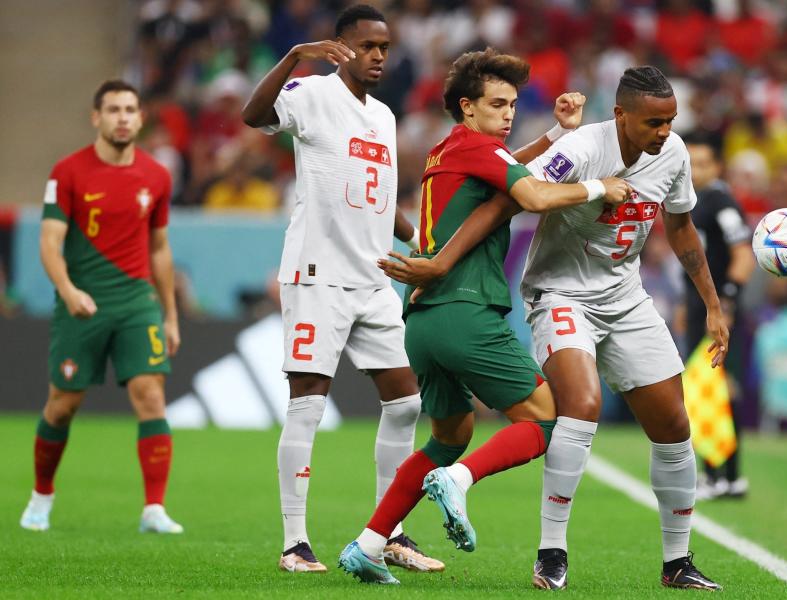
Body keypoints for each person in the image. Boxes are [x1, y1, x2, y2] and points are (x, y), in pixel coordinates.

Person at [381, 66, 727, 592]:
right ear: (621, 116)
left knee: (674, 425)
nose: (664, 132)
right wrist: (442, 261)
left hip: (626, 296)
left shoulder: (675, 154)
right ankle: (551, 554)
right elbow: (509, 196)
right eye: (654, 122)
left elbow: (680, 227)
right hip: (560, 292)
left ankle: (677, 563)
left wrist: (712, 305)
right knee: (579, 405)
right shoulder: (585, 148)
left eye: (670, 121)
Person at [339, 47, 632, 585]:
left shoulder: (447, 149)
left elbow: (505, 168)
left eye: (514, 103)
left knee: (450, 433)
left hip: (423, 321)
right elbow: (535, 196)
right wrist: (599, 187)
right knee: (547, 419)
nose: (509, 112)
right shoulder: (477, 146)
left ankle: (369, 542)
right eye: (498, 103)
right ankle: (459, 480)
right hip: (466, 309)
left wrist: (555, 136)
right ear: (467, 108)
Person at [240, 5, 440, 574]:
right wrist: (294, 57)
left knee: (405, 402)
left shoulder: (384, 116)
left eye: (385, 46)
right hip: (318, 275)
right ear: (343, 46)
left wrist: (424, 242)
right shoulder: (310, 91)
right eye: (369, 46)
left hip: (375, 278)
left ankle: (389, 532)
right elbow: (255, 115)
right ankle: (294, 543)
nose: (380, 55)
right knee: (307, 403)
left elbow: (383, 200)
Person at [19, 80, 183, 535]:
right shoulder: (68, 173)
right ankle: (41, 497)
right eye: (113, 110)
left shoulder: (156, 176)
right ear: (97, 117)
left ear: (141, 117)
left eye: (131, 109)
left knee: (151, 395)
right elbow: (49, 243)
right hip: (82, 304)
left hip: (136, 303)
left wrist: (169, 314)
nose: (123, 117)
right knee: (63, 405)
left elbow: (161, 249)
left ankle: (154, 509)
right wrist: (70, 291)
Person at [684, 141, 755, 499]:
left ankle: (721, 476)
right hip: (700, 308)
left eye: (703, 162)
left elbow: (744, 253)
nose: (696, 170)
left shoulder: (720, 202)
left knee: (714, 389)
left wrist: (726, 299)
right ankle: (725, 475)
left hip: (716, 311)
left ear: (717, 167)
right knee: (705, 388)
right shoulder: (693, 201)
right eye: (690, 162)